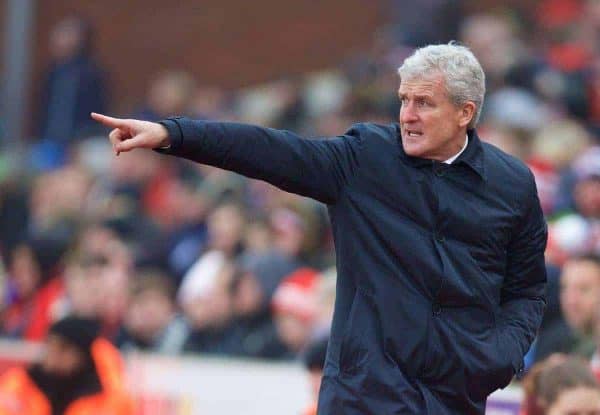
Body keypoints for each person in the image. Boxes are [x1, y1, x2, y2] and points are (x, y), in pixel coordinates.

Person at [91, 43, 548, 414]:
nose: (407, 114)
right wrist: (174, 135)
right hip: (364, 398)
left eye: (424, 103)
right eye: (404, 99)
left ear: (465, 113)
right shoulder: (365, 158)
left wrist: (496, 358)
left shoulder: (511, 184)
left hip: (454, 401)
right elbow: (271, 151)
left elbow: (526, 289)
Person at [0, 316, 134, 415]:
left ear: (82, 356)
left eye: (63, 349)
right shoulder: (19, 385)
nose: (53, 355)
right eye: (50, 346)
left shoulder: (107, 401)